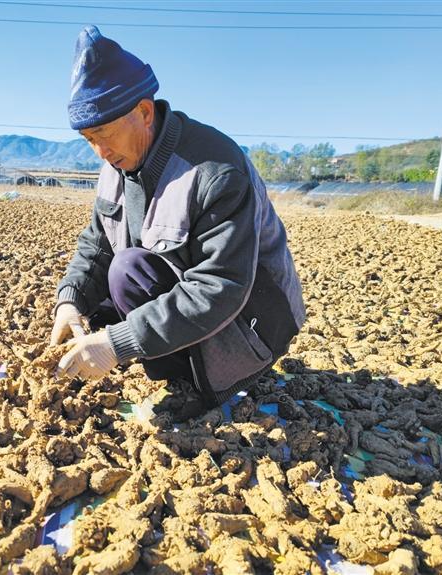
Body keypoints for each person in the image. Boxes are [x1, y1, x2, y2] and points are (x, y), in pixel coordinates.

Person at [50, 25, 306, 413]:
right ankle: (167, 356)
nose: (99, 151)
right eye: (88, 139)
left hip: (254, 321)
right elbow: (97, 244)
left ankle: (194, 384)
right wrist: (70, 302)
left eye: (104, 134)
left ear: (144, 111)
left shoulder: (214, 171)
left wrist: (115, 345)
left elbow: (222, 286)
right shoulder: (116, 166)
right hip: (187, 296)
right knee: (99, 302)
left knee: (127, 272)